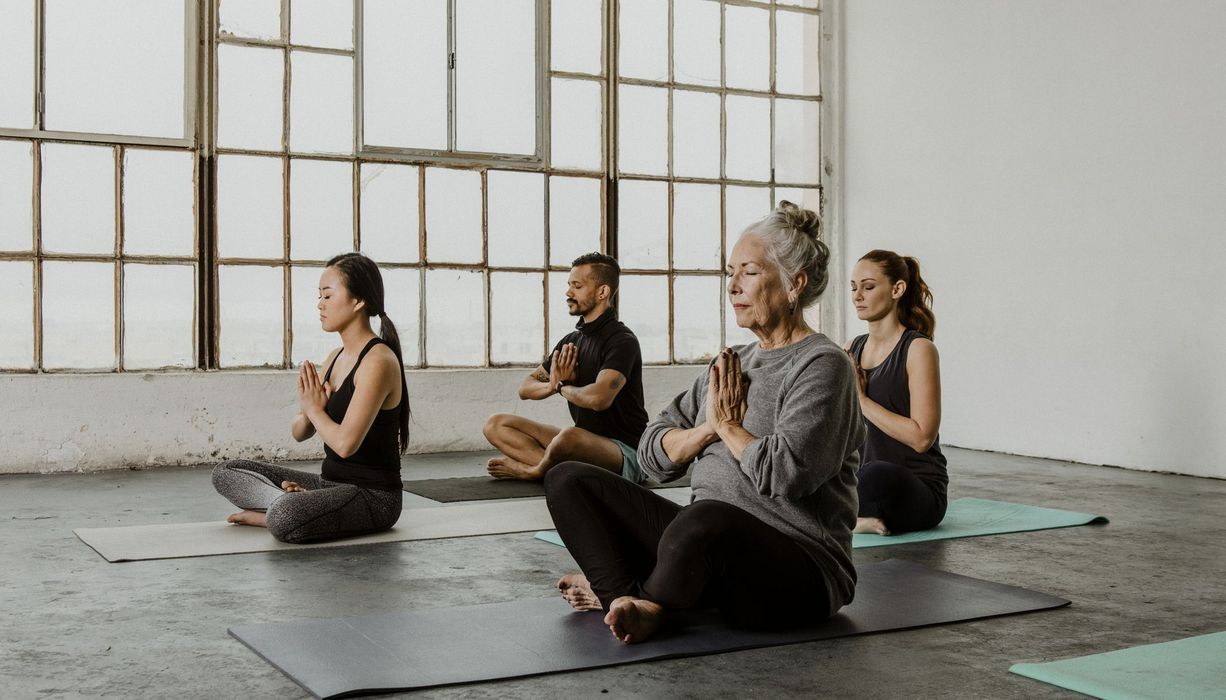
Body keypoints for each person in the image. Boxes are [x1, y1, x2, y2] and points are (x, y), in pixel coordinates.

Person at [544, 202, 864, 644]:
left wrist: (731, 427)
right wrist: (707, 429)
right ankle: (625, 599)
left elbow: (784, 474)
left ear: (795, 285)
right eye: (729, 272)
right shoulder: (731, 361)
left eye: (748, 272)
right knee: (568, 480)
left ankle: (650, 600)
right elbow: (653, 454)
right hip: (702, 550)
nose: (732, 285)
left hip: (797, 571)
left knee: (707, 518)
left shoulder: (823, 366)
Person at [211, 252, 410, 543]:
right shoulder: (334, 358)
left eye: (328, 296)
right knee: (226, 472)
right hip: (327, 485)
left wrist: (316, 411)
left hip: (372, 497)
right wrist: (308, 411)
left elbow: (344, 444)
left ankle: (279, 510)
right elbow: (299, 433)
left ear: (358, 301)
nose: (320, 305)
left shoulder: (378, 361)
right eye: (319, 296)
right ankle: (290, 503)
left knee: (285, 517)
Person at [483, 253, 649, 483]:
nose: (568, 293)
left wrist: (561, 386)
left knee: (569, 436)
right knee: (496, 423)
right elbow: (526, 388)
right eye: (569, 285)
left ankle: (535, 471)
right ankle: (556, 469)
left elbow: (599, 399)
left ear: (602, 292)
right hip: (583, 442)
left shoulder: (622, 341)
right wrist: (553, 385)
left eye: (577, 286)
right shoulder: (572, 340)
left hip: (626, 452)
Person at [846, 249, 946, 536]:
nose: (857, 296)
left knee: (877, 474)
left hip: (911, 487)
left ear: (897, 289)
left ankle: (843, 517)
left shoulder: (918, 349)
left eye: (868, 286)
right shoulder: (849, 349)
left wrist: (862, 400)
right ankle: (853, 518)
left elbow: (922, 437)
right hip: (861, 481)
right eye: (854, 287)